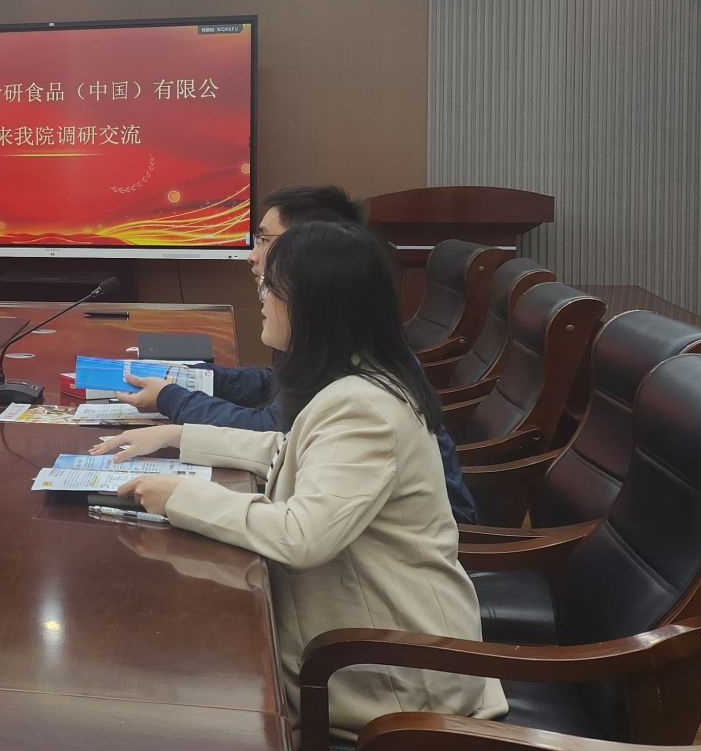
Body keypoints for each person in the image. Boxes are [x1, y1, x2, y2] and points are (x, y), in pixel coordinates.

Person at [98, 221, 506, 735]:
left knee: (176, 690)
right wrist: (180, 436)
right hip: (367, 638)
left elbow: (301, 535)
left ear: (316, 306)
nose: (262, 300)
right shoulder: (359, 380)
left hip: (392, 671)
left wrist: (181, 496)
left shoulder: (362, 407)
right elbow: (294, 452)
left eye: (272, 289)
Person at [118, 183, 478, 525]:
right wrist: (179, 426)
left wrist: (183, 495)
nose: (253, 257)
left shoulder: (361, 397)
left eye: (264, 241)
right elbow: (288, 443)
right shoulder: (338, 343)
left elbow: (300, 533)